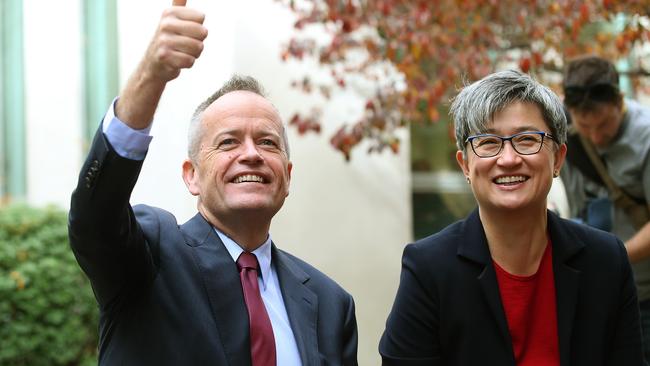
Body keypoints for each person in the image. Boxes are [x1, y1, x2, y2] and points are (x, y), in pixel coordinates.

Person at [67, 1, 358, 365]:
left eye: (267, 142)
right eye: (228, 142)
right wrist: (153, 74)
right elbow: (94, 217)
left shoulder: (330, 305)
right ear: (192, 176)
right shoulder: (149, 257)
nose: (251, 154)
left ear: (287, 176)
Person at [379, 70, 645, 365]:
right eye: (488, 142)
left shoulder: (605, 260)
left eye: (527, 139)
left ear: (558, 158)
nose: (508, 159)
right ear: (465, 165)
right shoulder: (429, 269)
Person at [561, 55, 650, 359]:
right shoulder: (563, 133)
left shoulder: (646, 137)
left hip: (645, 296)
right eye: (586, 126)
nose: (597, 137)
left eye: (605, 125)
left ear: (620, 101)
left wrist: (608, 259)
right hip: (591, 297)